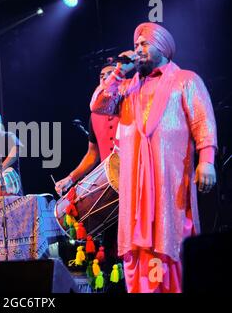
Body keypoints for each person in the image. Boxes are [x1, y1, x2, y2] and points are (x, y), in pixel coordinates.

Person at [90, 22, 217, 293]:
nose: (138, 49)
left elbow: (203, 123)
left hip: (170, 183)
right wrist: (117, 74)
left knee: (172, 239)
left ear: (162, 47)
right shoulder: (127, 87)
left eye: (144, 44)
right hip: (135, 188)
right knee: (138, 250)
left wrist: (207, 160)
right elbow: (98, 106)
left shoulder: (186, 79)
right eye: (136, 45)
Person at [55, 65, 119, 196]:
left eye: (110, 74)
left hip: (135, 177)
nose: (105, 78)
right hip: (110, 182)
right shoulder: (95, 116)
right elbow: (92, 155)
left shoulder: (131, 103)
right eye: (101, 76)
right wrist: (70, 178)